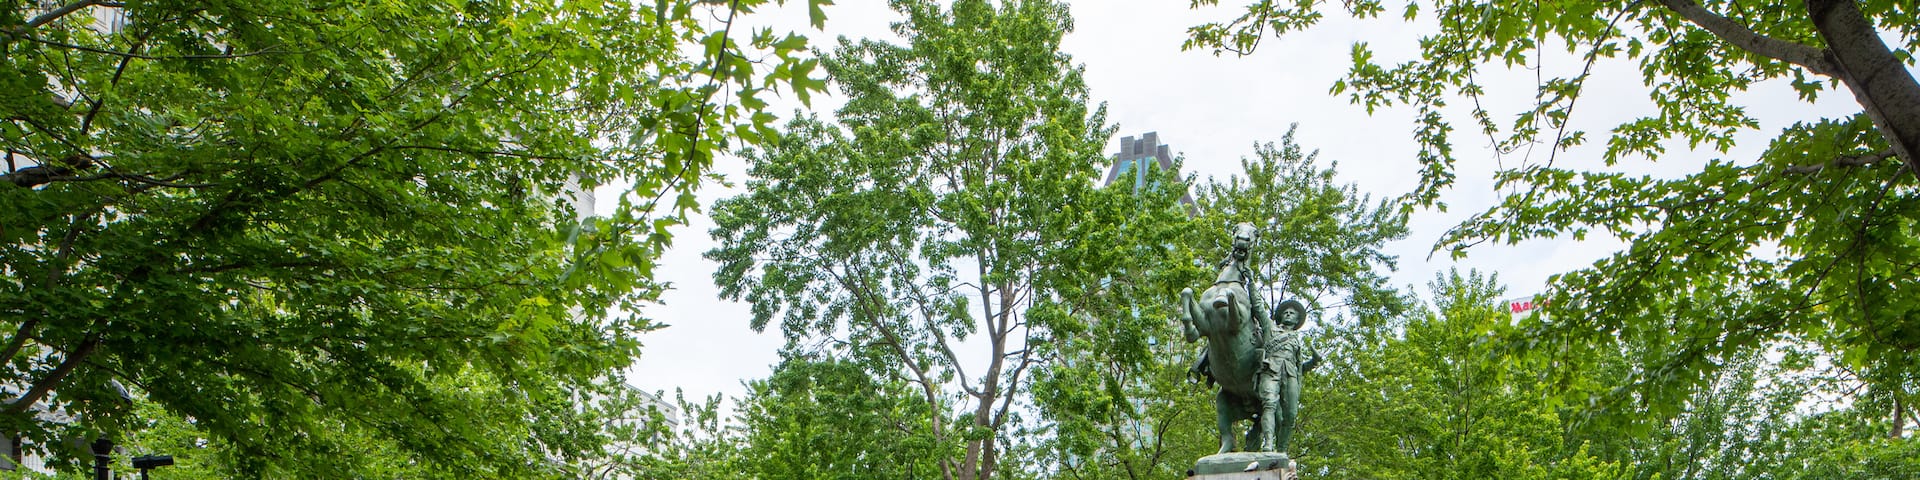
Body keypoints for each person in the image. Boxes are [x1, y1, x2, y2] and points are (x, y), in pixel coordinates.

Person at [1261, 299, 1321, 453]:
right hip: (1271, 371)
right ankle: (1268, 444)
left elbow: (1300, 368)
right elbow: (1257, 307)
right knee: (1269, 404)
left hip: (1290, 376)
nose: (1288, 314)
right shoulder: (1271, 329)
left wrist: (1314, 361)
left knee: (1291, 415)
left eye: (1292, 313)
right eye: (1285, 312)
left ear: (1296, 320)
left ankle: (1282, 450)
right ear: (1280, 317)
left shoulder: (1296, 340)